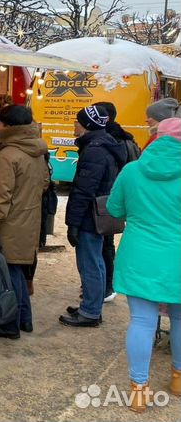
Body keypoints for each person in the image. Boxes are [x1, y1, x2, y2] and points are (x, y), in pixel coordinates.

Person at [106, 117, 181, 412]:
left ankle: (139, 390)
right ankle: (177, 379)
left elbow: (114, 208)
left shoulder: (132, 170)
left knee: (141, 321)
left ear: (156, 138)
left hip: (139, 255)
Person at [0, 106, 49, 339]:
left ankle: (10, 324)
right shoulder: (36, 150)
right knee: (16, 270)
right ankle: (24, 319)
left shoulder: (7, 156)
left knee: (7, 274)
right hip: (28, 219)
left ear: (7, 127)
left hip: (10, 223)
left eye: (0, 123)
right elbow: (44, 184)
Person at [60, 105, 127, 327]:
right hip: (97, 213)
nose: (74, 125)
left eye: (77, 122)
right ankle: (92, 304)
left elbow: (83, 190)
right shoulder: (103, 145)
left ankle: (90, 311)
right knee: (95, 261)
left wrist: (73, 223)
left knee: (89, 263)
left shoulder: (94, 150)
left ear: (87, 125)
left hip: (90, 215)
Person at [92, 101, 141, 303]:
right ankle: (106, 284)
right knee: (107, 243)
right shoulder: (127, 139)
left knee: (104, 244)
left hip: (107, 198)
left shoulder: (109, 141)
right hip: (116, 198)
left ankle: (105, 285)